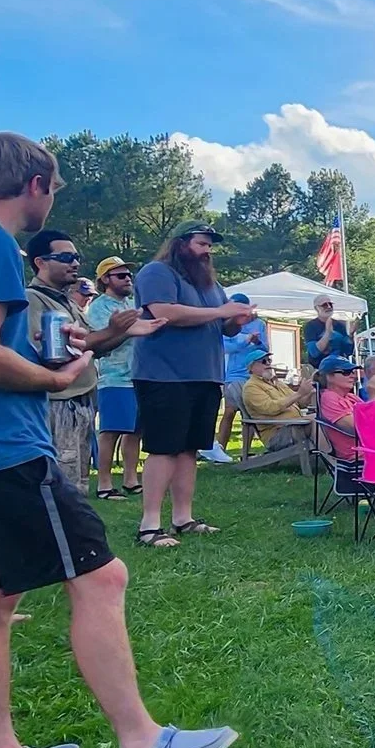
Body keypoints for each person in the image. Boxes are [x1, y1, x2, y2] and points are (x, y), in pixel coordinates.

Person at [0, 130, 234, 748]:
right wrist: (54, 379)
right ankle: (142, 744)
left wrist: (83, 344)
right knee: (101, 578)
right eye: (53, 189)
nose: (50, 201)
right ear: (36, 185)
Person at [131, 221, 253, 546]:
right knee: (164, 447)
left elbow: (223, 328)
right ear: (180, 243)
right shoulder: (157, 272)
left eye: (210, 245)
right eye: (201, 243)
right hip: (165, 375)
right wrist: (220, 311)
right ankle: (149, 525)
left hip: (205, 375)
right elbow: (165, 312)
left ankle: (183, 518)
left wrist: (235, 320)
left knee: (189, 448)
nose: (207, 251)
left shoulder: (211, 284)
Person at [23, 230, 151, 493]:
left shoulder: (66, 302)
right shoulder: (33, 298)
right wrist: (114, 330)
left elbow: (93, 346)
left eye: (77, 257)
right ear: (40, 262)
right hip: (59, 404)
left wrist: (122, 332)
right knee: (61, 486)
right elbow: (50, 354)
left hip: (81, 402)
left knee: (77, 484)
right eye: (66, 257)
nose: (75, 263)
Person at [86, 257, 143, 498]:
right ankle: (104, 484)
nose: (128, 278)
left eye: (129, 275)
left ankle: (131, 479)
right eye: (120, 275)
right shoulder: (99, 307)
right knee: (110, 432)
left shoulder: (133, 303)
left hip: (139, 376)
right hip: (114, 378)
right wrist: (129, 330)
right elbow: (102, 341)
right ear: (105, 280)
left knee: (135, 431)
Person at [214, 296, 269, 457]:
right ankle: (220, 449)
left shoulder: (259, 324)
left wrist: (257, 342)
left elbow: (265, 349)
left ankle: (245, 452)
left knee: (249, 413)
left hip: (253, 374)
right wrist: (246, 341)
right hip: (234, 375)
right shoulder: (227, 324)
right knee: (230, 411)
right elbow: (225, 347)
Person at [234, 353, 310, 450]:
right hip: (276, 433)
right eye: (263, 361)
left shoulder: (277, 383)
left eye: (269, 360)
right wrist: (299, 394)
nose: (268, 364)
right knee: (317, 423)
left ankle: (324, 456)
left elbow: (300, 403)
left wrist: (310, 392)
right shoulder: (251, 387)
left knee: (321, 420)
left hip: (295, 425)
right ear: (251, 367)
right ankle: (325, 457)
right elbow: (271, 408)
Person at [312, 356, 361, 461]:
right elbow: (358, 427)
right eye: (346, 372)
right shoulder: (329, 398)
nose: (353, 376)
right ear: (329, 377)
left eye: (353, 372)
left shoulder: (351, 397)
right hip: (359, 455)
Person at [301, 296, 352, 370]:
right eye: (324, 305)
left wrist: (351, 336)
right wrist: (328, 333)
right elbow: (314, 352)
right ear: (316, 308)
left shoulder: (339, 325)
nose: (329, 307)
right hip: (319, 370)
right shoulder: (310, 326)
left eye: (330, 304)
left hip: (339, 369)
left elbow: (348, 351)